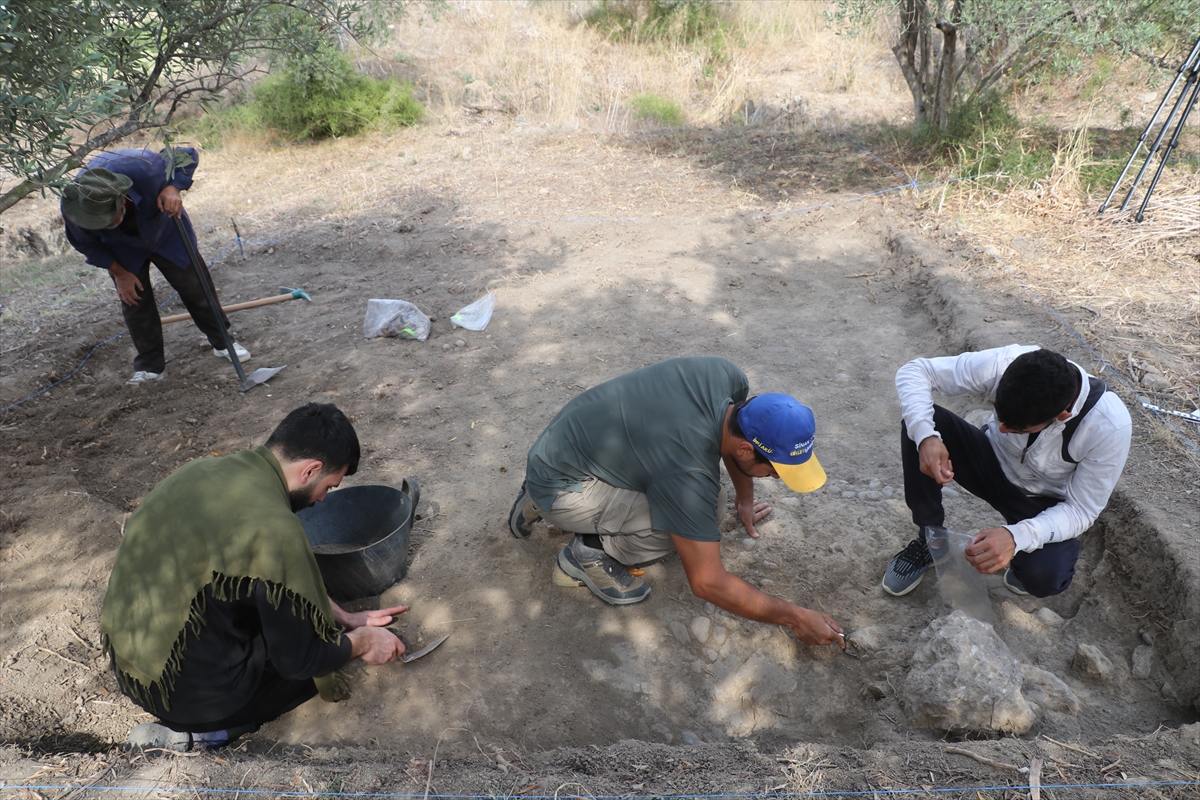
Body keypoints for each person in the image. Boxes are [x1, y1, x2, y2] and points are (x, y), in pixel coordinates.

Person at [100, 403, 407, 751]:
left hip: (133, 671)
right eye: (329, 487)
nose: (322, 500)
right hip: (190, 700)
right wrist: (363, 642)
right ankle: (202, 735)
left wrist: (345, 616)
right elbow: (299, 659)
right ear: (311, 470)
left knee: (271, 608)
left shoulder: (201, 472)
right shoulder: (275, 528)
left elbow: (252, 571)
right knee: (317, 663)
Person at [507, 356, 844, 648]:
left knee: (709, 503)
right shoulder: (686, 469)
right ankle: (588, 552)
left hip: (562, 450)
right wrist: (795, 616)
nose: (774, 478)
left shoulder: (725, 377)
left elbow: (737, 446)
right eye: (774, 471)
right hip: (567, 487)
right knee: (705, 514)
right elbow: (707, 581)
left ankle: (540, 495)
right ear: (747, 450)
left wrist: (745, 498)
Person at [882, 345, 1132, 599]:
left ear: (1062, 415)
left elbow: (1082, 510)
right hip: (987, 462)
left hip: (1039, 500)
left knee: (1045, 577)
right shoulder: (1010, 364)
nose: (1002, 429)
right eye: (1001, 418)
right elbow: (916, 371)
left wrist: (1017, 536)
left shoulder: (1109, 426)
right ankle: (931, 540)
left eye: (1018, 429)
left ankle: (1021, 560)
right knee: (921, 424)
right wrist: (926, 436)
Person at [60, 147, 250, 385]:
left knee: (196, 287)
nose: (102, 224)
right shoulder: (76, 211)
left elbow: (185, 154)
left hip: (164, 228)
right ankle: (150, 368)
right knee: (135, 302)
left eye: (108, 219)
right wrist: (119, 274)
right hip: (120, 247)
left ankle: (223, 343)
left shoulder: (143, 168)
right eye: (98, 223)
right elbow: (87, 245)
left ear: (122, 201)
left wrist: (172, 187)